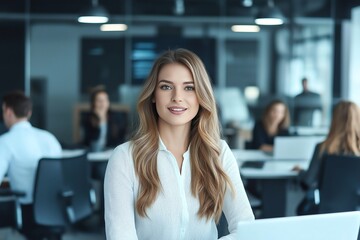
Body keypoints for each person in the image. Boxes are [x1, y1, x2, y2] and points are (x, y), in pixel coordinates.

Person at [104, 48, 254, 240]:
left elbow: (246, 229)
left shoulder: (219, 152)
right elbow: (120, 236)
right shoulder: (125, 158)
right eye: (166, 87)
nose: (177, 97)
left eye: (189, 88)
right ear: (153, 94)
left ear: (201, 96)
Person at [0, 90, 62, 239]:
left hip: (28, 213)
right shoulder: (49, 138)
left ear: (8, 111)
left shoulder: (6, 141)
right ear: (29, 113)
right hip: (58, 209)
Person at [293, 100, 360, 215]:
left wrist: (301, 172)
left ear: (334, 120)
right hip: (355, 215)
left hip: (325, 213)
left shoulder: (323, 148)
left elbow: (308, 182)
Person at [82, 86, 127, 152]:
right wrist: (99, 121)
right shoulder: (88, 119)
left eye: (105, 100)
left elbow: (120, 140)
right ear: (94, 103)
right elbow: (91, 143)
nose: (103, 103)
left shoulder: (116, 118)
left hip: (111, 153)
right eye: (99, 101)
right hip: (93, 154)